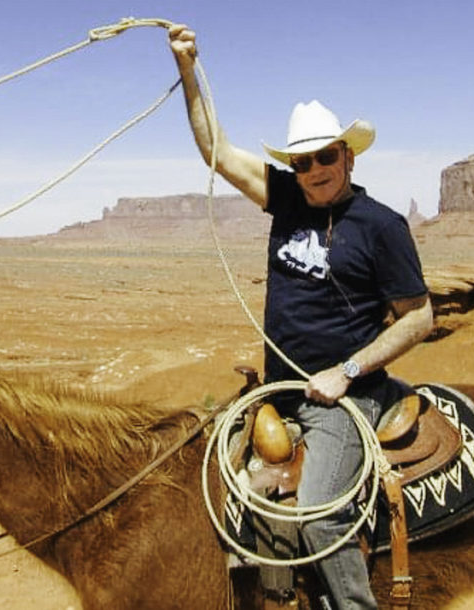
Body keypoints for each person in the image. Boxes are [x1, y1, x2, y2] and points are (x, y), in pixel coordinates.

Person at [169, 25, 434, 610]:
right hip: (280, 389)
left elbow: (419, 318)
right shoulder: (285, 197)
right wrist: (188, 69)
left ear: (348, 154)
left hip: (345, 397)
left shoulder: (382, 226)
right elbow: (215, 148)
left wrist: (347, 371)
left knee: (318, 517)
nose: (315, 169)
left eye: (325, 156)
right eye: (303, 160)